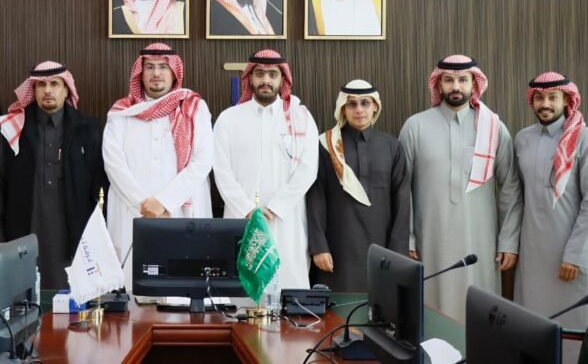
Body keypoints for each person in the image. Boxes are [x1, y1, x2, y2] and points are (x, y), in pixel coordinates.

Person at [399, 55, 522, 321]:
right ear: (438, 84)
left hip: (480, 241)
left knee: (478, 311)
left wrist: (509, 241)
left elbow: (511, 187)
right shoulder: (415, 126)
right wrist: (407, 237)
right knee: (431, 310)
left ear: (474, 84)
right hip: (428, 240)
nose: (456, 86)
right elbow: (401, 187)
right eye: (449, 80)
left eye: (463, 80)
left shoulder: (493, 127)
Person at [103, 43, 213, 288]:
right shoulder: (122, 112)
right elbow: (113, 163)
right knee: (133, 285)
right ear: (140, 74)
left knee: (180, 286)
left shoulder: (194, 108)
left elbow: (203, 160)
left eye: (163, 67)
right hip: (133, 211)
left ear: (174, 72)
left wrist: (164, 201)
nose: (156, 73)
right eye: (150, 67)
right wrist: (142, 203)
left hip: (179, 210)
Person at [0, 61, 105, 289]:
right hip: (21, 235)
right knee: (26, 299)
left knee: (69, 300)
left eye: (54, 84)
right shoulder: (14, 129)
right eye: (41, 85)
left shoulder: (86, 129)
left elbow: (99, 189)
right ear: (33, 90)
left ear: (67, 90)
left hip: (74, 239)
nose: (48, 90)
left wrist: (98, 238)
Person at [213, 50, 319, 289]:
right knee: (240, 293)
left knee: (287, 287)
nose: (266, 80)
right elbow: (221, 170)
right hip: (241, 217)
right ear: (250, 78)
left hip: (285, 219)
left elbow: (308, 169)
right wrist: (247, 208)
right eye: (260, 74)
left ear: (282, 79)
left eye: (272, 74)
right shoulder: (229, 119)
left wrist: (276, 207)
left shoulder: (301, 117)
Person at [306, 79, 409, 291]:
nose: (359, 110)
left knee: (379, 305)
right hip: (336, 249)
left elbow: (402, 201)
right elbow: (316, 198)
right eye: (352, 104)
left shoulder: (392, 146)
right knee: (337, 308)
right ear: (343, 108)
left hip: (382, 249)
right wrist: (319, 247)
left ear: (375, 107)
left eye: (365, 103)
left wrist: (396, 253)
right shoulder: (326, 146)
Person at [514, 72, 588, 362]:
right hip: (532, 254)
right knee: (532, 323)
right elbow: (518, 198)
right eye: (539, 98)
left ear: (567, 100)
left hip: (569, 256)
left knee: (571, 329)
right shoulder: (522, 138)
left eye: (553, 97)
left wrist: (575, 254)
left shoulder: (583, 138)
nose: (545, 104)